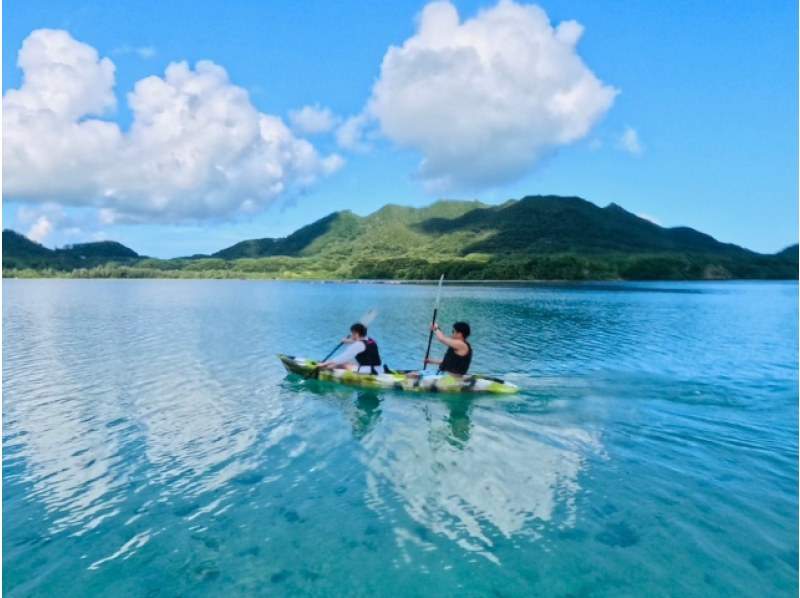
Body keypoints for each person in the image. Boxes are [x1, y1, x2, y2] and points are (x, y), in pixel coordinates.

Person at [318, 323, 382, 374]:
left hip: (368, 371)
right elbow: (360, 343)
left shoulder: (358, 345)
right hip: (379, 368)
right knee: (346, 361)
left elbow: (342, 357)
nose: (351, 335)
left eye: (352, 333)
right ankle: (327, 366)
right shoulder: (371, 340)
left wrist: (324, 363)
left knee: (340, 364)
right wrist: (346, 341)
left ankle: (323, 368)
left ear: (356, 333)